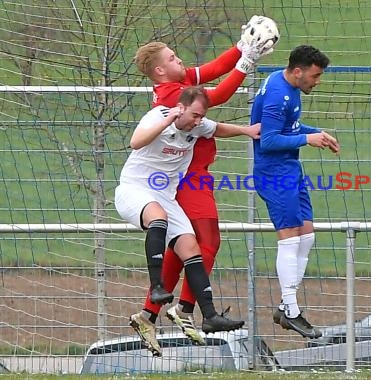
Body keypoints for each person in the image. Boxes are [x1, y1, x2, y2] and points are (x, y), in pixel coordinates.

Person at [128, 25, 275, 354]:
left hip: (197, 175)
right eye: (172, 56)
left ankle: (151, 313)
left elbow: (210, 70)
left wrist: (241, 47)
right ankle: (183, 310)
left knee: (186, 247)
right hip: (189, 177)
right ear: (160, 71)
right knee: (206, 241)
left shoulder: (179, 83)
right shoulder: (171, 95)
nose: (179, 58)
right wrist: (247, 62)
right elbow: (216, 96)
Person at [115, 86, 260, 356]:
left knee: (191, 248)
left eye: (200, 116)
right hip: (135, 190)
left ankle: (209, 314)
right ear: (181, 107)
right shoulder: (159, 115)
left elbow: (217, 128)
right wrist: (167, 120)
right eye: (194, 114)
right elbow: (135, 142)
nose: (198, 121)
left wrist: (247, 131)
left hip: (165, 196)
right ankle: (157, 286)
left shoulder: (198, 124)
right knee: (158, 218)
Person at [251, 45, 340, 339]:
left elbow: (290, 127)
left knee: (307, 233)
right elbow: (269, 141)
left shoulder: (287, 84)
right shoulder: (278, 95)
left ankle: (285, 306)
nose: (317, 81)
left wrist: (316, 133)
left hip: (290, 170)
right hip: (274, 174)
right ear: (298, 71)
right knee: (289, 237)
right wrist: (307, 139)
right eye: (315, 76)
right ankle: (291, 311)